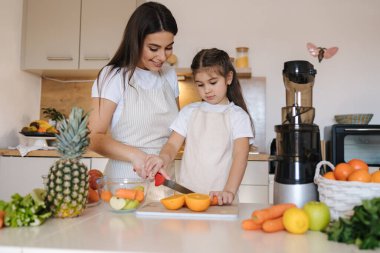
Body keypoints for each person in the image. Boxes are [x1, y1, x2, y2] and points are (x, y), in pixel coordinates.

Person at [88, 2, 179, 201]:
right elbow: (94, 137)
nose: (162, 57)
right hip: (124, 185)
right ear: (135, 40)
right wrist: (136, 156)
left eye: (168, 48)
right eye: (153, 48)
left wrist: (163, 157)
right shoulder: (113, 76)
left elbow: (177, 133)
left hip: (164, 185)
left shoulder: (170, 76)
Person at [145, 48, 254, 205]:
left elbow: (240, 156)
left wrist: (229, 190)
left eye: (213, 82)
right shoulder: (189, 112)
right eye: (200, 85)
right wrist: (162, 158)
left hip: (221, 199)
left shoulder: (238, 116)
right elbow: (172, 144)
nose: (207, 90)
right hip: (187, 198)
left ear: (228, 78)